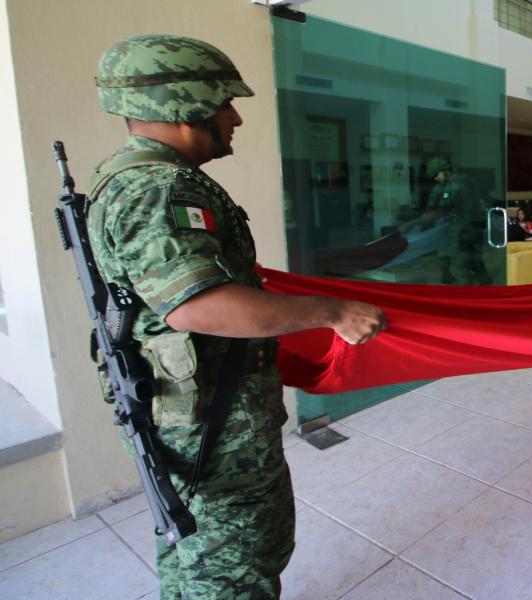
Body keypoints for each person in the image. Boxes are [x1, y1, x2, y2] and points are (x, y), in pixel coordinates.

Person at [88, 35, 385, 598]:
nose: (236, 117)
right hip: (214, 422)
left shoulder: (126, 177)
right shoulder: (159, 188)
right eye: (225, 102)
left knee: (195, 545)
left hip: (195, 410)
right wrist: (333, 311)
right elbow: (198, 305)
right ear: (186, 104)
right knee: (236, 562)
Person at [404, 157, 490, 284]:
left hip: (462, 232)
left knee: (461, 265)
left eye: (436, 175)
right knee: (472, 260)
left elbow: (439, 212)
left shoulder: (454, 187)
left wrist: (411, 223)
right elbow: (485, 200)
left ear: (446, 171)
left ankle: (466, 291)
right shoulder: (469, 179)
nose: (435, 179)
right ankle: (486, 285)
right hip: (475, 229)